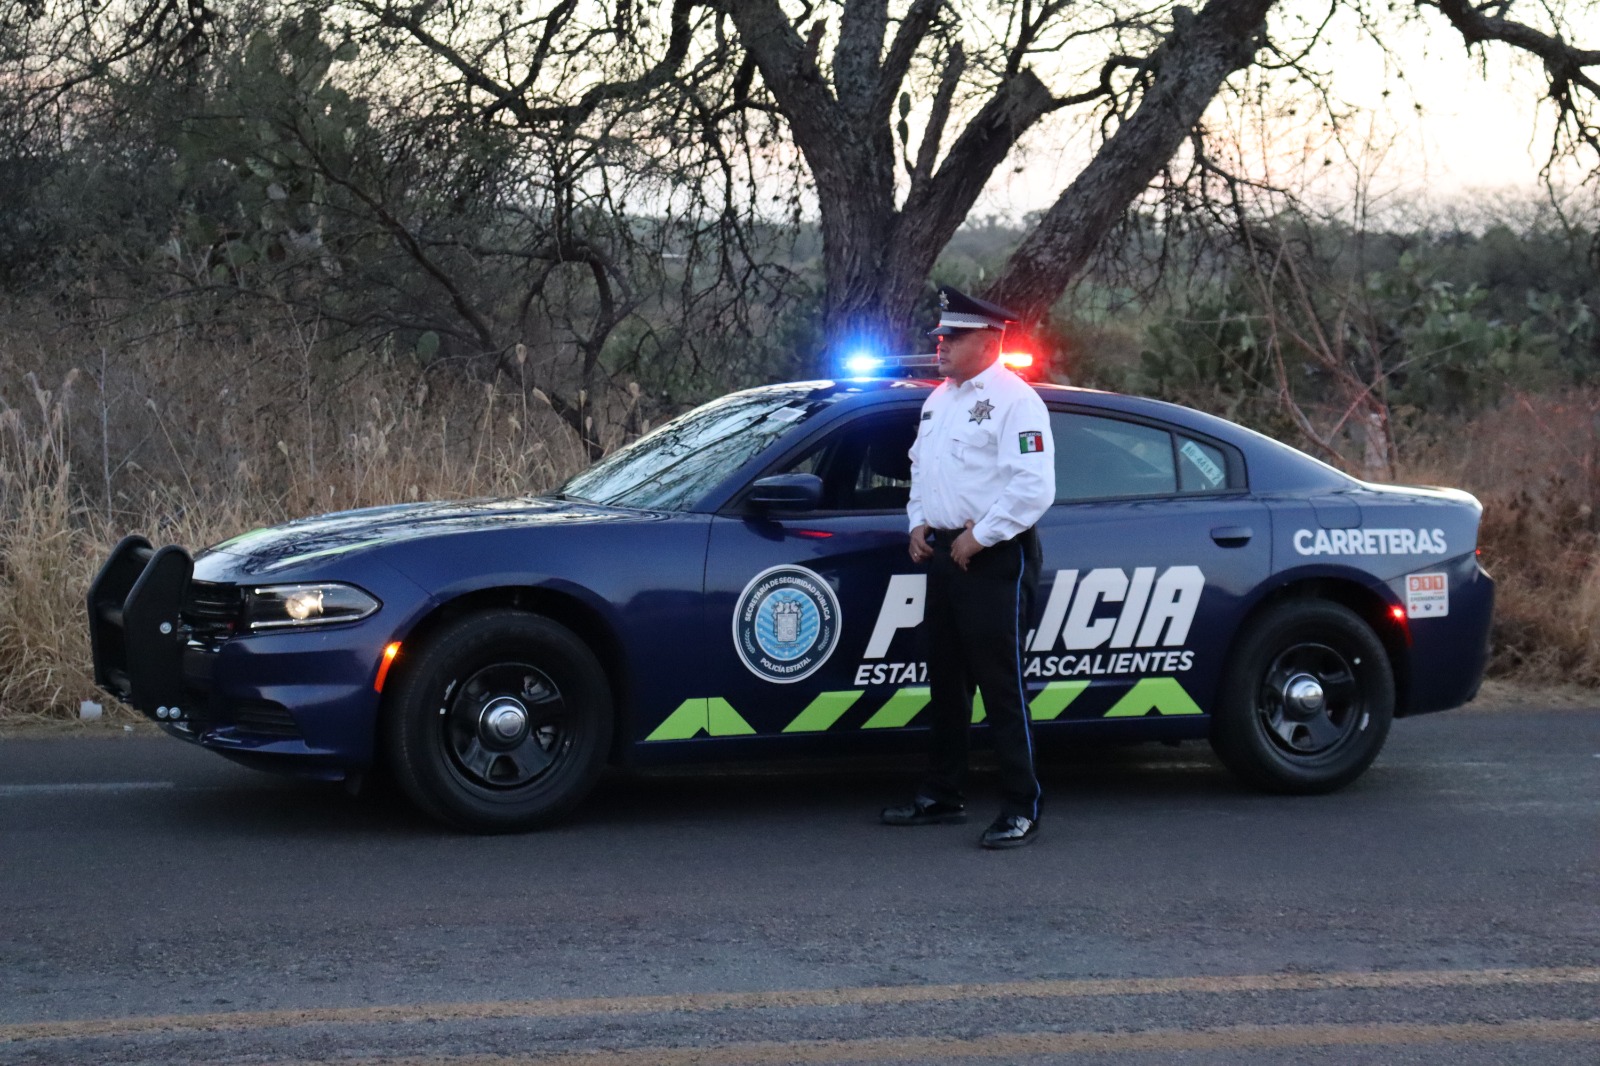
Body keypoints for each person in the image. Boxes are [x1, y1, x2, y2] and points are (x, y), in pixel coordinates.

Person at [880, 287, 1056, 849]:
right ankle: (943, 792)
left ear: (987, 340)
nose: (941, 345)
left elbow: (1033, 487)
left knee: (1001, 685)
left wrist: (980, 537)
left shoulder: (1016, 402)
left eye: (952, 337)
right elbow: (921, 468)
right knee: (947, 683)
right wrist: (918, 522)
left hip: (994, 556)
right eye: (939, 336)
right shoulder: (940, 399)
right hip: (946, 552)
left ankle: (1022, 805)